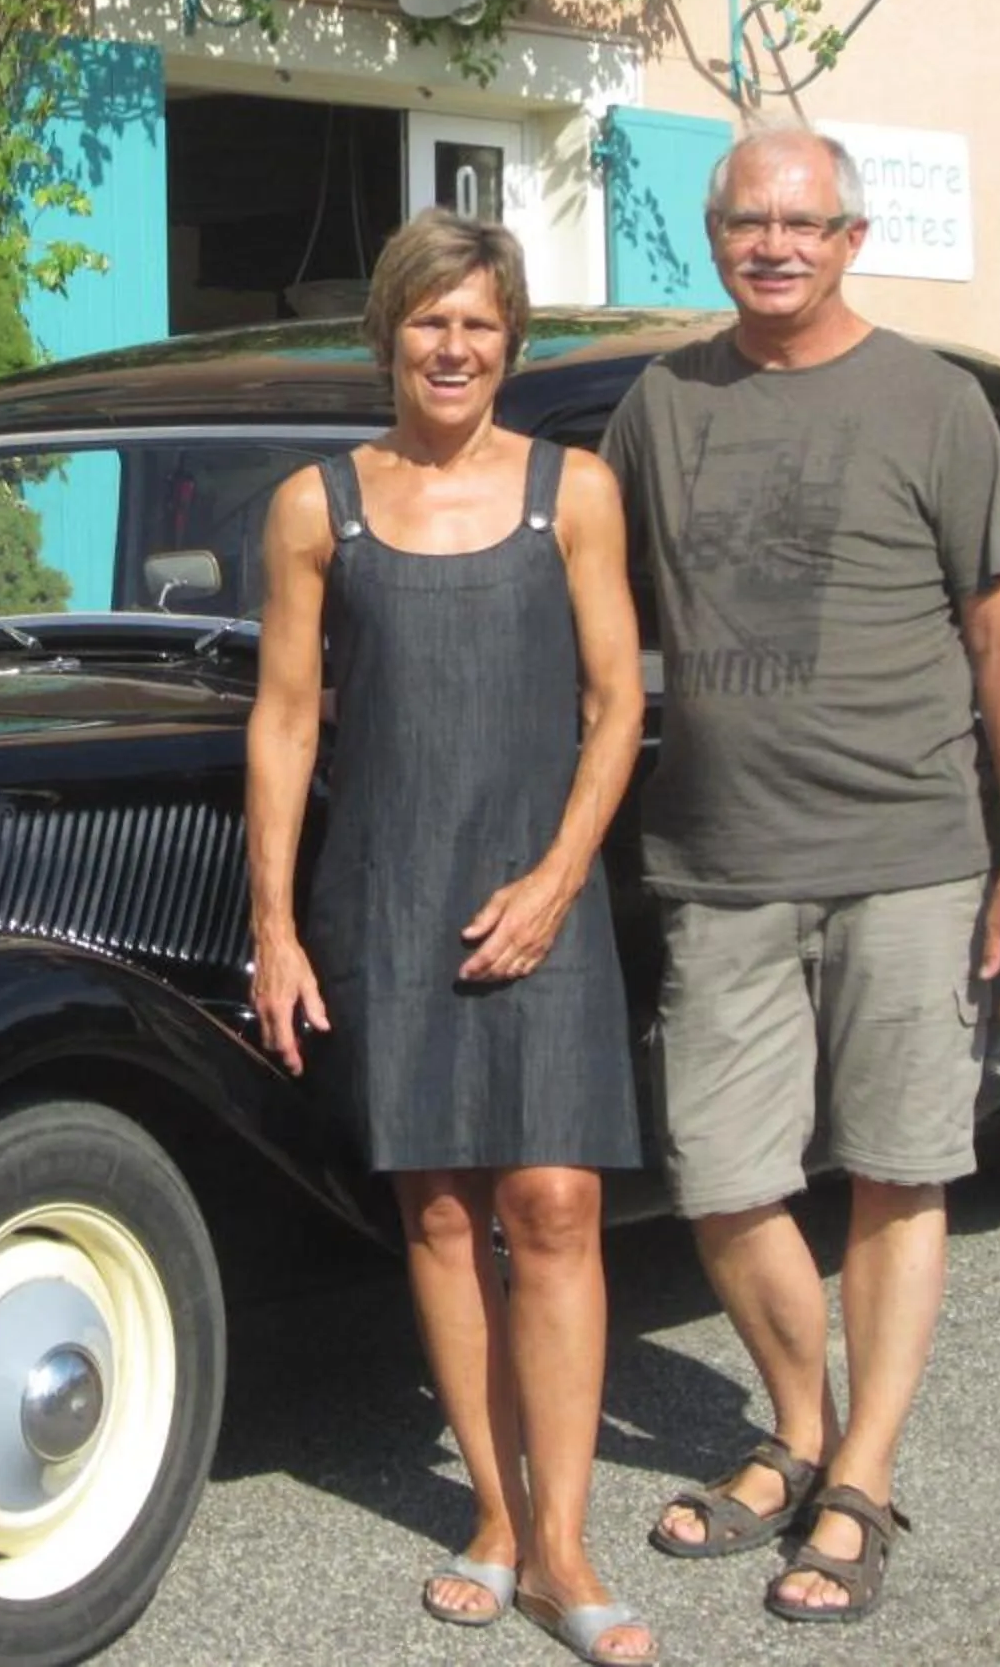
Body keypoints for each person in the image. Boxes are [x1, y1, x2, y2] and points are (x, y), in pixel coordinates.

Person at [600, 127, 1000, 1625]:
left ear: (854, 237)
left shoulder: (934, 402)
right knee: (724, 1177)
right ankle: (795, 1421)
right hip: (719, 859)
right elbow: (581, 603)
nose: (775, 245)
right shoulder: (659, 403)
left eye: (804, 223)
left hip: (909, 853)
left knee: (896, 1164)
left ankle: (858, 1472)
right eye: (747, 221)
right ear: (714, 234)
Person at [248, 211, 655, 1666]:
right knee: (437, 1211)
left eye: (479, 323)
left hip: (539, 891)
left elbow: (617, 706)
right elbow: (289, 720)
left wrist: (556, 876)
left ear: (513, 341)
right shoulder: (317, 507)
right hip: (390, 892)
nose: (453, 346)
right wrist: (276, 925)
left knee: (553, 1202)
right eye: (429, 320)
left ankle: (564, 1546)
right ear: (389, 333)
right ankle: (492, 1512)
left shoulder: (577, 492)